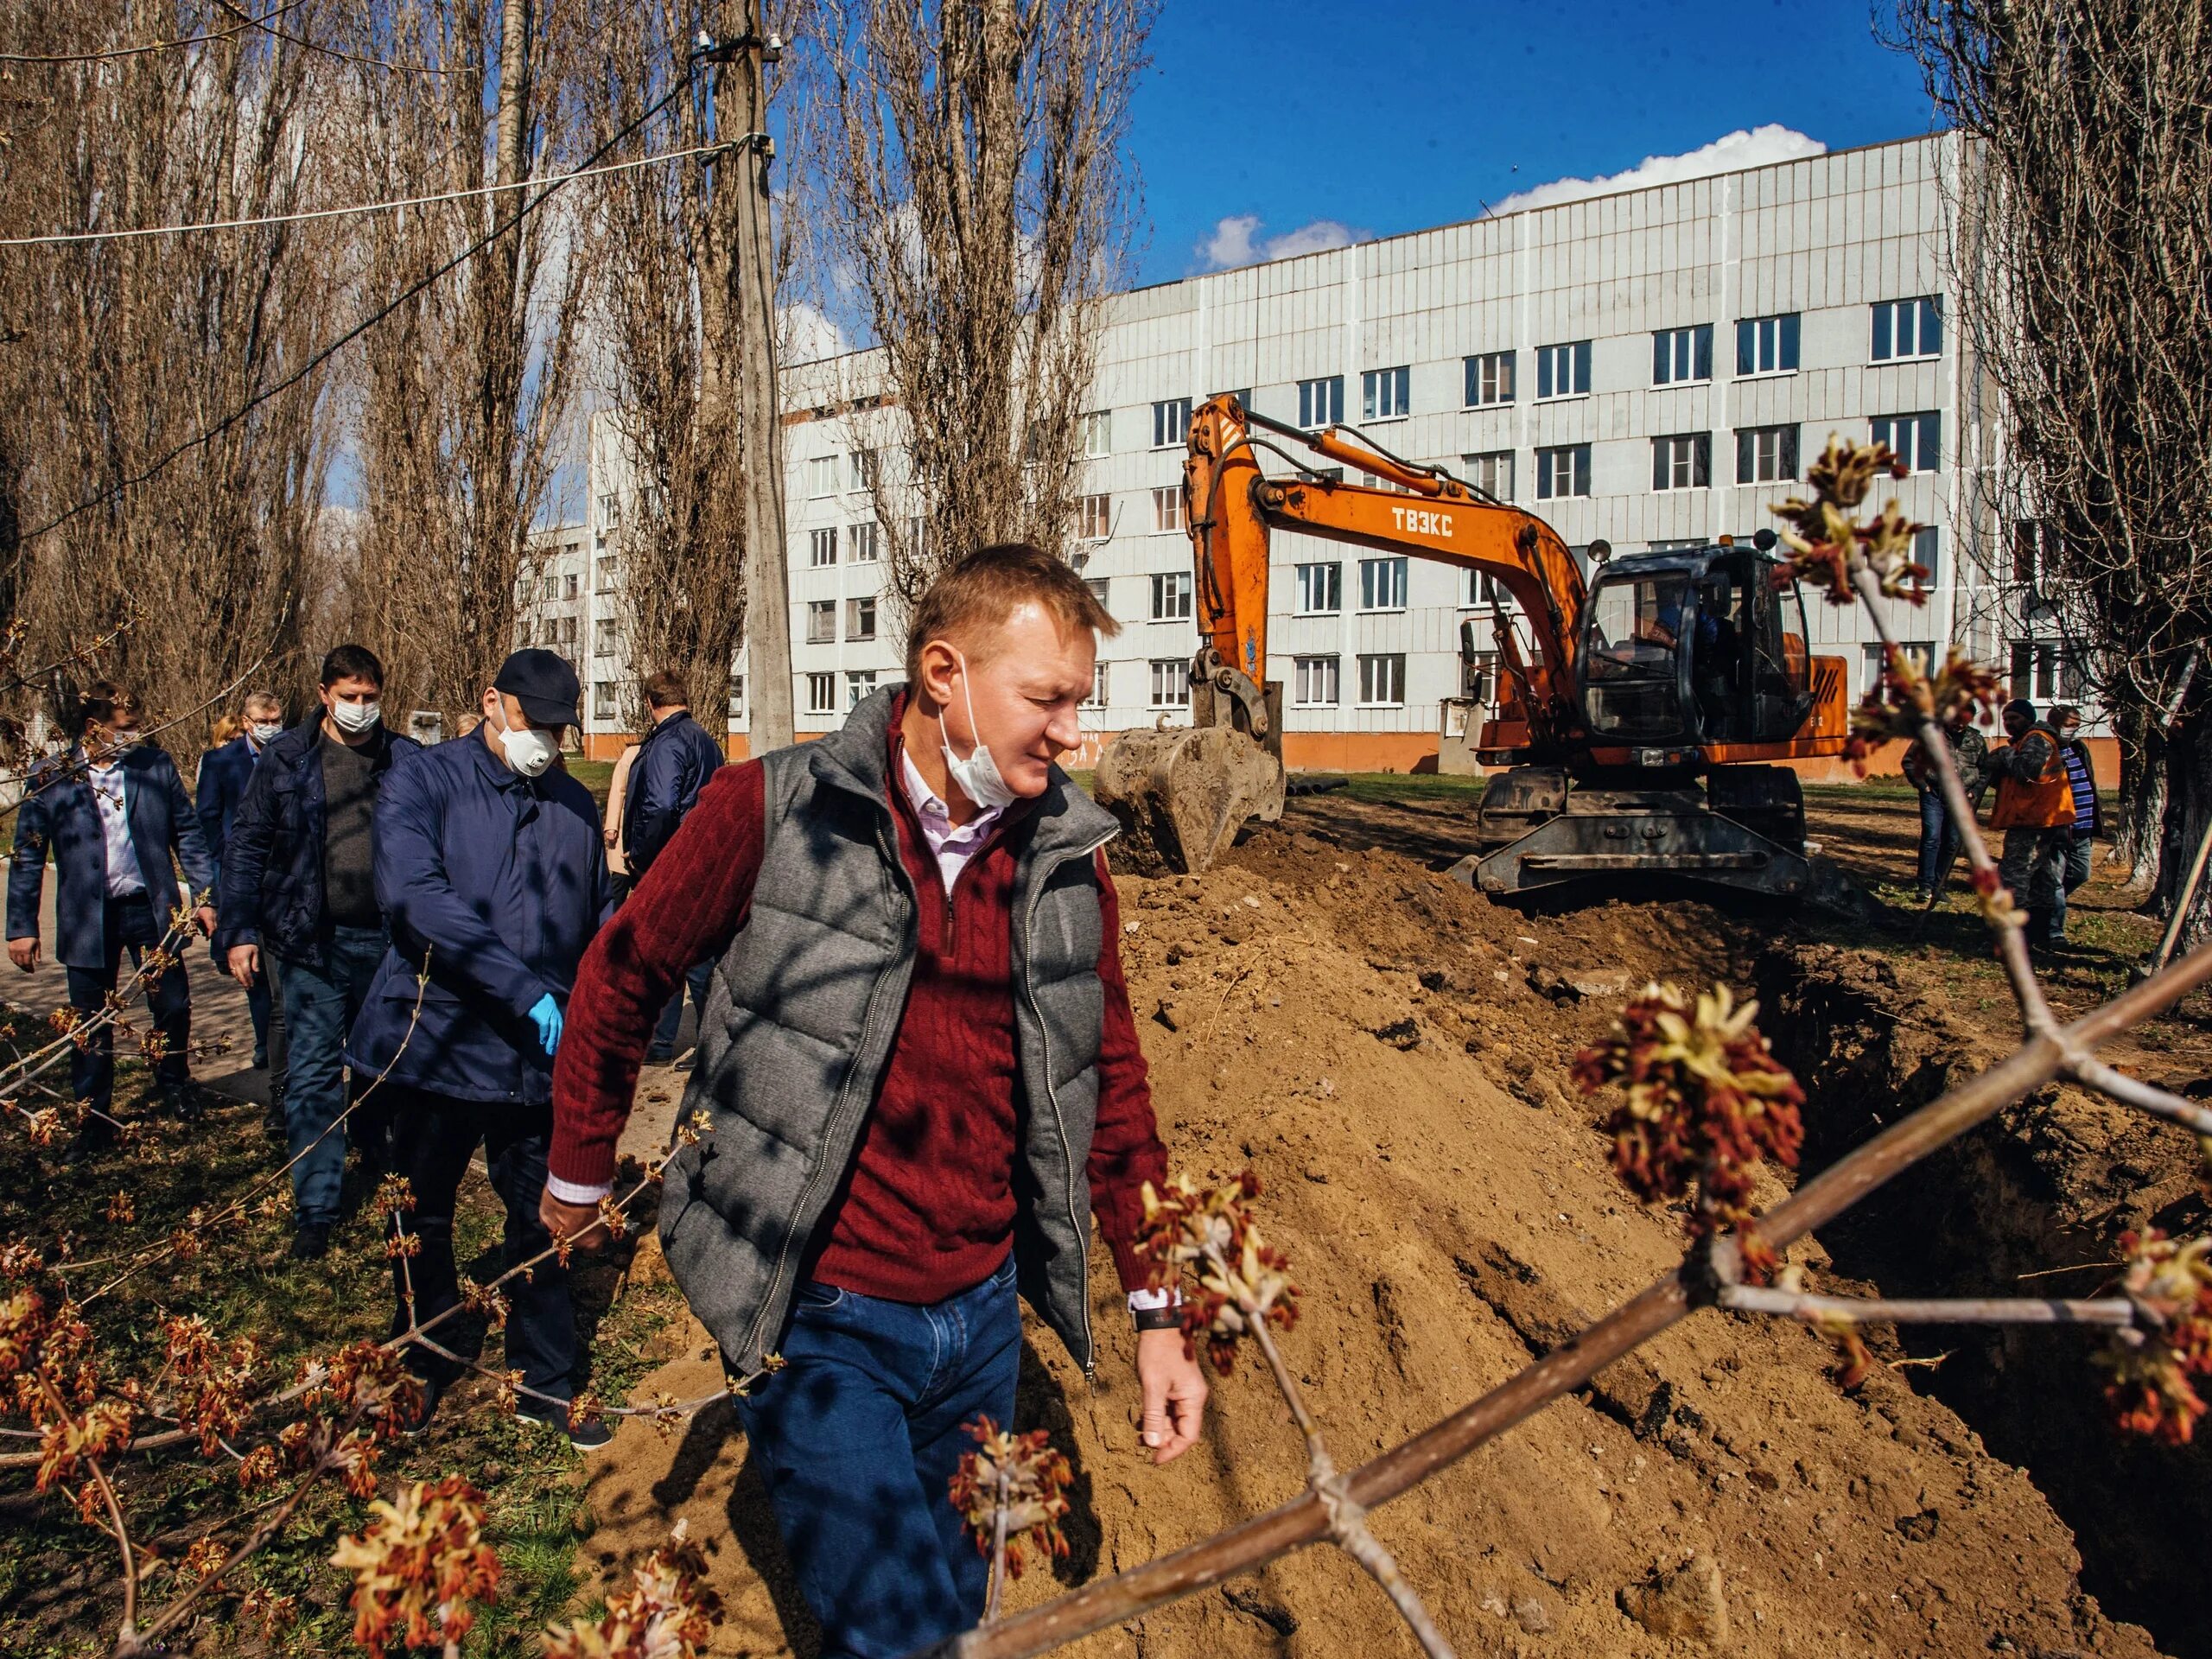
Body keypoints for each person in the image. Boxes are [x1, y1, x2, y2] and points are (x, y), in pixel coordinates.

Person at [542, 543, 1205, 1658]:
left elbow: (1112, 1089)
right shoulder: (775, 811)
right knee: (898, 1640)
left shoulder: (1066, 862)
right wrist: (576, 1171)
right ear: (943, 673)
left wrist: (1159, 1310)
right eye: (1045, 700)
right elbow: (625, 973)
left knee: (961, 1618)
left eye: (1078, 704)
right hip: (823, 1320)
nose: (1073, 735)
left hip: (982, 1325)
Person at [346, 649, 612, 1446]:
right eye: (534, 719)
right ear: (491, 702)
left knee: (543, 1220)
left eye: (560, 726)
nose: (547, 739)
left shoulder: (569, 802)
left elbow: (598, 916)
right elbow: (413, 897)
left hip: (536, 1061)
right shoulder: (423, 781)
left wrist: (598, 1010)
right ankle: (420, 1359)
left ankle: (547, 1381)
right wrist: (517, 984)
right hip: (436, 1046)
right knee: (420, 1216)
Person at [219, 648, 420, 1258]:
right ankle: (316, 1207)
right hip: (311, 944)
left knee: (384, 1071)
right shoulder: (287, 759)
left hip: (387, 945)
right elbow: (248, 845)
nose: (361, 709)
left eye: (370, 697)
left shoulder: (403, 758)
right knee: (311, 1076)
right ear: (324, 693)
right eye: (349, 697)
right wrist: (239, 928)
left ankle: (384, 1166)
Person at [7, 683, 219, 1159]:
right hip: (88, 916)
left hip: (149, 910)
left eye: (136, 727)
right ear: (93, 728)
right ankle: (93, 1117)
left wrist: (204, 897)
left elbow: (187, 833)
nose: (134, 736)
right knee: (91, 1020)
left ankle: (173, 1080)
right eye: (124, 729)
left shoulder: (153, 766)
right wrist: (21, 925)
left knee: (173, 1005)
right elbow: (26, 856)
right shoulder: (52, 777)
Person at [199, 690, 289, 1133]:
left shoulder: (295, 753)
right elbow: (207, 820)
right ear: (247, 721)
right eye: (264, 718)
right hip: (243, 877)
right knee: (260, 983)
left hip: (285, 882)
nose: (272, 724)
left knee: (280, 996)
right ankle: (267, 1054)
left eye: (277, 717)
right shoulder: (221, 762)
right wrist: (223, 875)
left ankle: (273, 1058)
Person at [622, 670, 723, 1063]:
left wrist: (642, 853)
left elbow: (661, 805)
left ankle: (710, 1045)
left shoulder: (667, 742)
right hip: (699, 855)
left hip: (672, 860)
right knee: (670, 954)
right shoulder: (704, 740)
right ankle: (663, 1042)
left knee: (689, 959)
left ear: (650, 703)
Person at [1986, 698, 2074, 951]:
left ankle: (2013, 937)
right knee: (2042, 879)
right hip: (2043, 817)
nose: (2009, 723)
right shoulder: (2028, 740)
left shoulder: (2036, 739)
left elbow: (2027, 771)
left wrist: (2005, 755)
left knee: (2015, 877)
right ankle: (2040, 935)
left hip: (2035, 819)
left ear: (2028, 717)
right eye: (2005, 719)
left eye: (2014, 718)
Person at [1901, 707, 1989, 904]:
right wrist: (1923, 786)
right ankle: (1925, 886)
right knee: (1932, 837)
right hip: (1934, 793)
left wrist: (1975, 791)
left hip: (1961, 797)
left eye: (1965, 720)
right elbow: (1909, 762)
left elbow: (1985, 770)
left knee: (1952, 841)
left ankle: (1939, 885)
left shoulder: (1976, 740)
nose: (1959, 724)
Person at [2050, 705, 2103, 942]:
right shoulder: (2047, 750)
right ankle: (2054, 930)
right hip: (2059, 828)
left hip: (2083, 827)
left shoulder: (2079, 749)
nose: (2073, 730)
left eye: (2076, 725)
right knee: (2055, 881)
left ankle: (2044, 904)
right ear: (2055, 724)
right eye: (2069, 725)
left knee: (2081, 874)